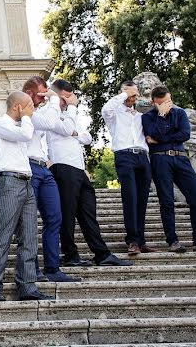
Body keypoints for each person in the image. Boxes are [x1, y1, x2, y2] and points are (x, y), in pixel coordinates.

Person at [46, 80, 132, 268]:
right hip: (61, 166)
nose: (69, 101)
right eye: (65, 98)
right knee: (67, 213)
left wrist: (73, 130)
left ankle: (102, 253)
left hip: (78, 168)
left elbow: (87, 137)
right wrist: (71, 112)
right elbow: (67, 130)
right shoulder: (49, 113)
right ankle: (70, 255)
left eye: (70, 97)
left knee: (88, 212)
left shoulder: (71, 115)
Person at [0, 92, 49, 301]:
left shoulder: (23, 126)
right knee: (3, 237)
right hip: (8, 183)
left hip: (27, 182)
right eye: (29, 106)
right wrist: (28, 118)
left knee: (30, 237)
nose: (33, 109)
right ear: (17, 107)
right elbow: (24, 135)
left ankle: (27, 286)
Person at [142, 85, 196, 253]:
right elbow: (153, 135)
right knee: (167, 201)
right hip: (160, 159)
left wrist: (161, 138)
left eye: (168, 102)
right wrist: (162, 116)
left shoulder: (180, 113)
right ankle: (173, 241)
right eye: (162, 103)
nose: (167, 106)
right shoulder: (147, 117)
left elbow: (185, 134)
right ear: (153, 102)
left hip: (181, 158)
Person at [20, 77, 79, 283]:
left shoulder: (40, 111)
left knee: (55, 217)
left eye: (47, 94)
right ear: (29, 94)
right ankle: (32, 269)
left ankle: (52, 268)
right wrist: (54, 99)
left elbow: (54, 124)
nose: (45, 98)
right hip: (28, 168)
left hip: (44, 169)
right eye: (42, 94)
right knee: (28, 222)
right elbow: (50, 122)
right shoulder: (25, 111)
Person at [102, 81, 154, 255]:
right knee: (130, 198)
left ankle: (141, 240)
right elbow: (106, 109)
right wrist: (125, 93)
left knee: (142, 200)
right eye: (129, 94)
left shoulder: (140, 116)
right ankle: (132, 240)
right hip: (124, 156)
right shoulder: (114, 114)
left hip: (142, 157)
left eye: (134, 94)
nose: (132, 97)